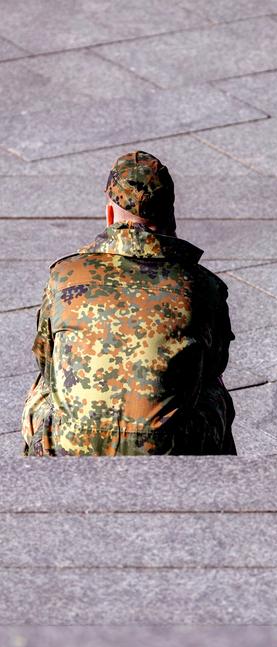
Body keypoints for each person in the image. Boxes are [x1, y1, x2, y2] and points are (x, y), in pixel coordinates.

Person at [21, 151, 236, 456]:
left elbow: (44, 357)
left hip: (72, 444)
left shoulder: (65, 275)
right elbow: (215, 362)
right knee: (212, 388)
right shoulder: (203, 285)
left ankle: (36, 488)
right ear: (170, 214)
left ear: (110, 215)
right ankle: (217, 490)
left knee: (47, 384)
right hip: (166, 449)